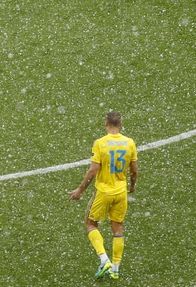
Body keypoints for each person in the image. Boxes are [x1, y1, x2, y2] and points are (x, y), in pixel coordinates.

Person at [69, 110, 138, 281]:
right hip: (121, 192)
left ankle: (104, 260)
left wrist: (80, 190)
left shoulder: (100, 143)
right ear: (120, 124)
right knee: (118, 227)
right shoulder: (129, 143)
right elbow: (134, 169)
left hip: (104, 192)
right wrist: (132, 185)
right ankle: (115, 269)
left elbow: (93, 171)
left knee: (91, 224)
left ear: (106, 123)